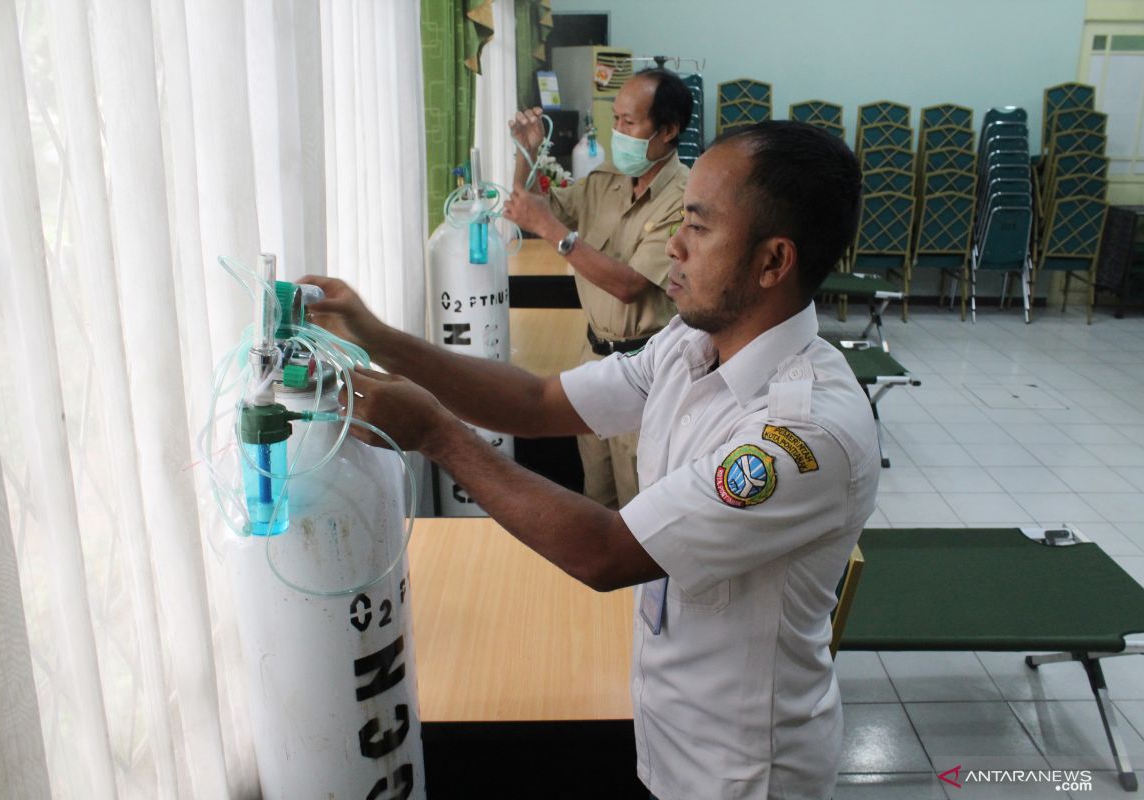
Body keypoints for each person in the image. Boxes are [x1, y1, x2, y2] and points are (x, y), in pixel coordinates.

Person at [302, 120, 878, 800]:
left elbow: (607, 551)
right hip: (668, 726)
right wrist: (381, 340)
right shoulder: (690, 347)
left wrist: (439, 436)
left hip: (744, 769)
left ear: (772, 262)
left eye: (698, 226)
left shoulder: (800, 436)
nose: (675, 245)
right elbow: (543, 401)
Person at [502, 68, 692, 510]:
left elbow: (628, 286)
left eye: (630, 123)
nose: (618, 132)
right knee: (596, 493)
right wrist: (526, 154)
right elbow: (530, 208)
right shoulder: (606, 180)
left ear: (667, 131)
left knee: (637, 504)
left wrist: (553, 232)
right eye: (616, 120)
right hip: (594, 361)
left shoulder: (682, 198)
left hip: (645, 367)